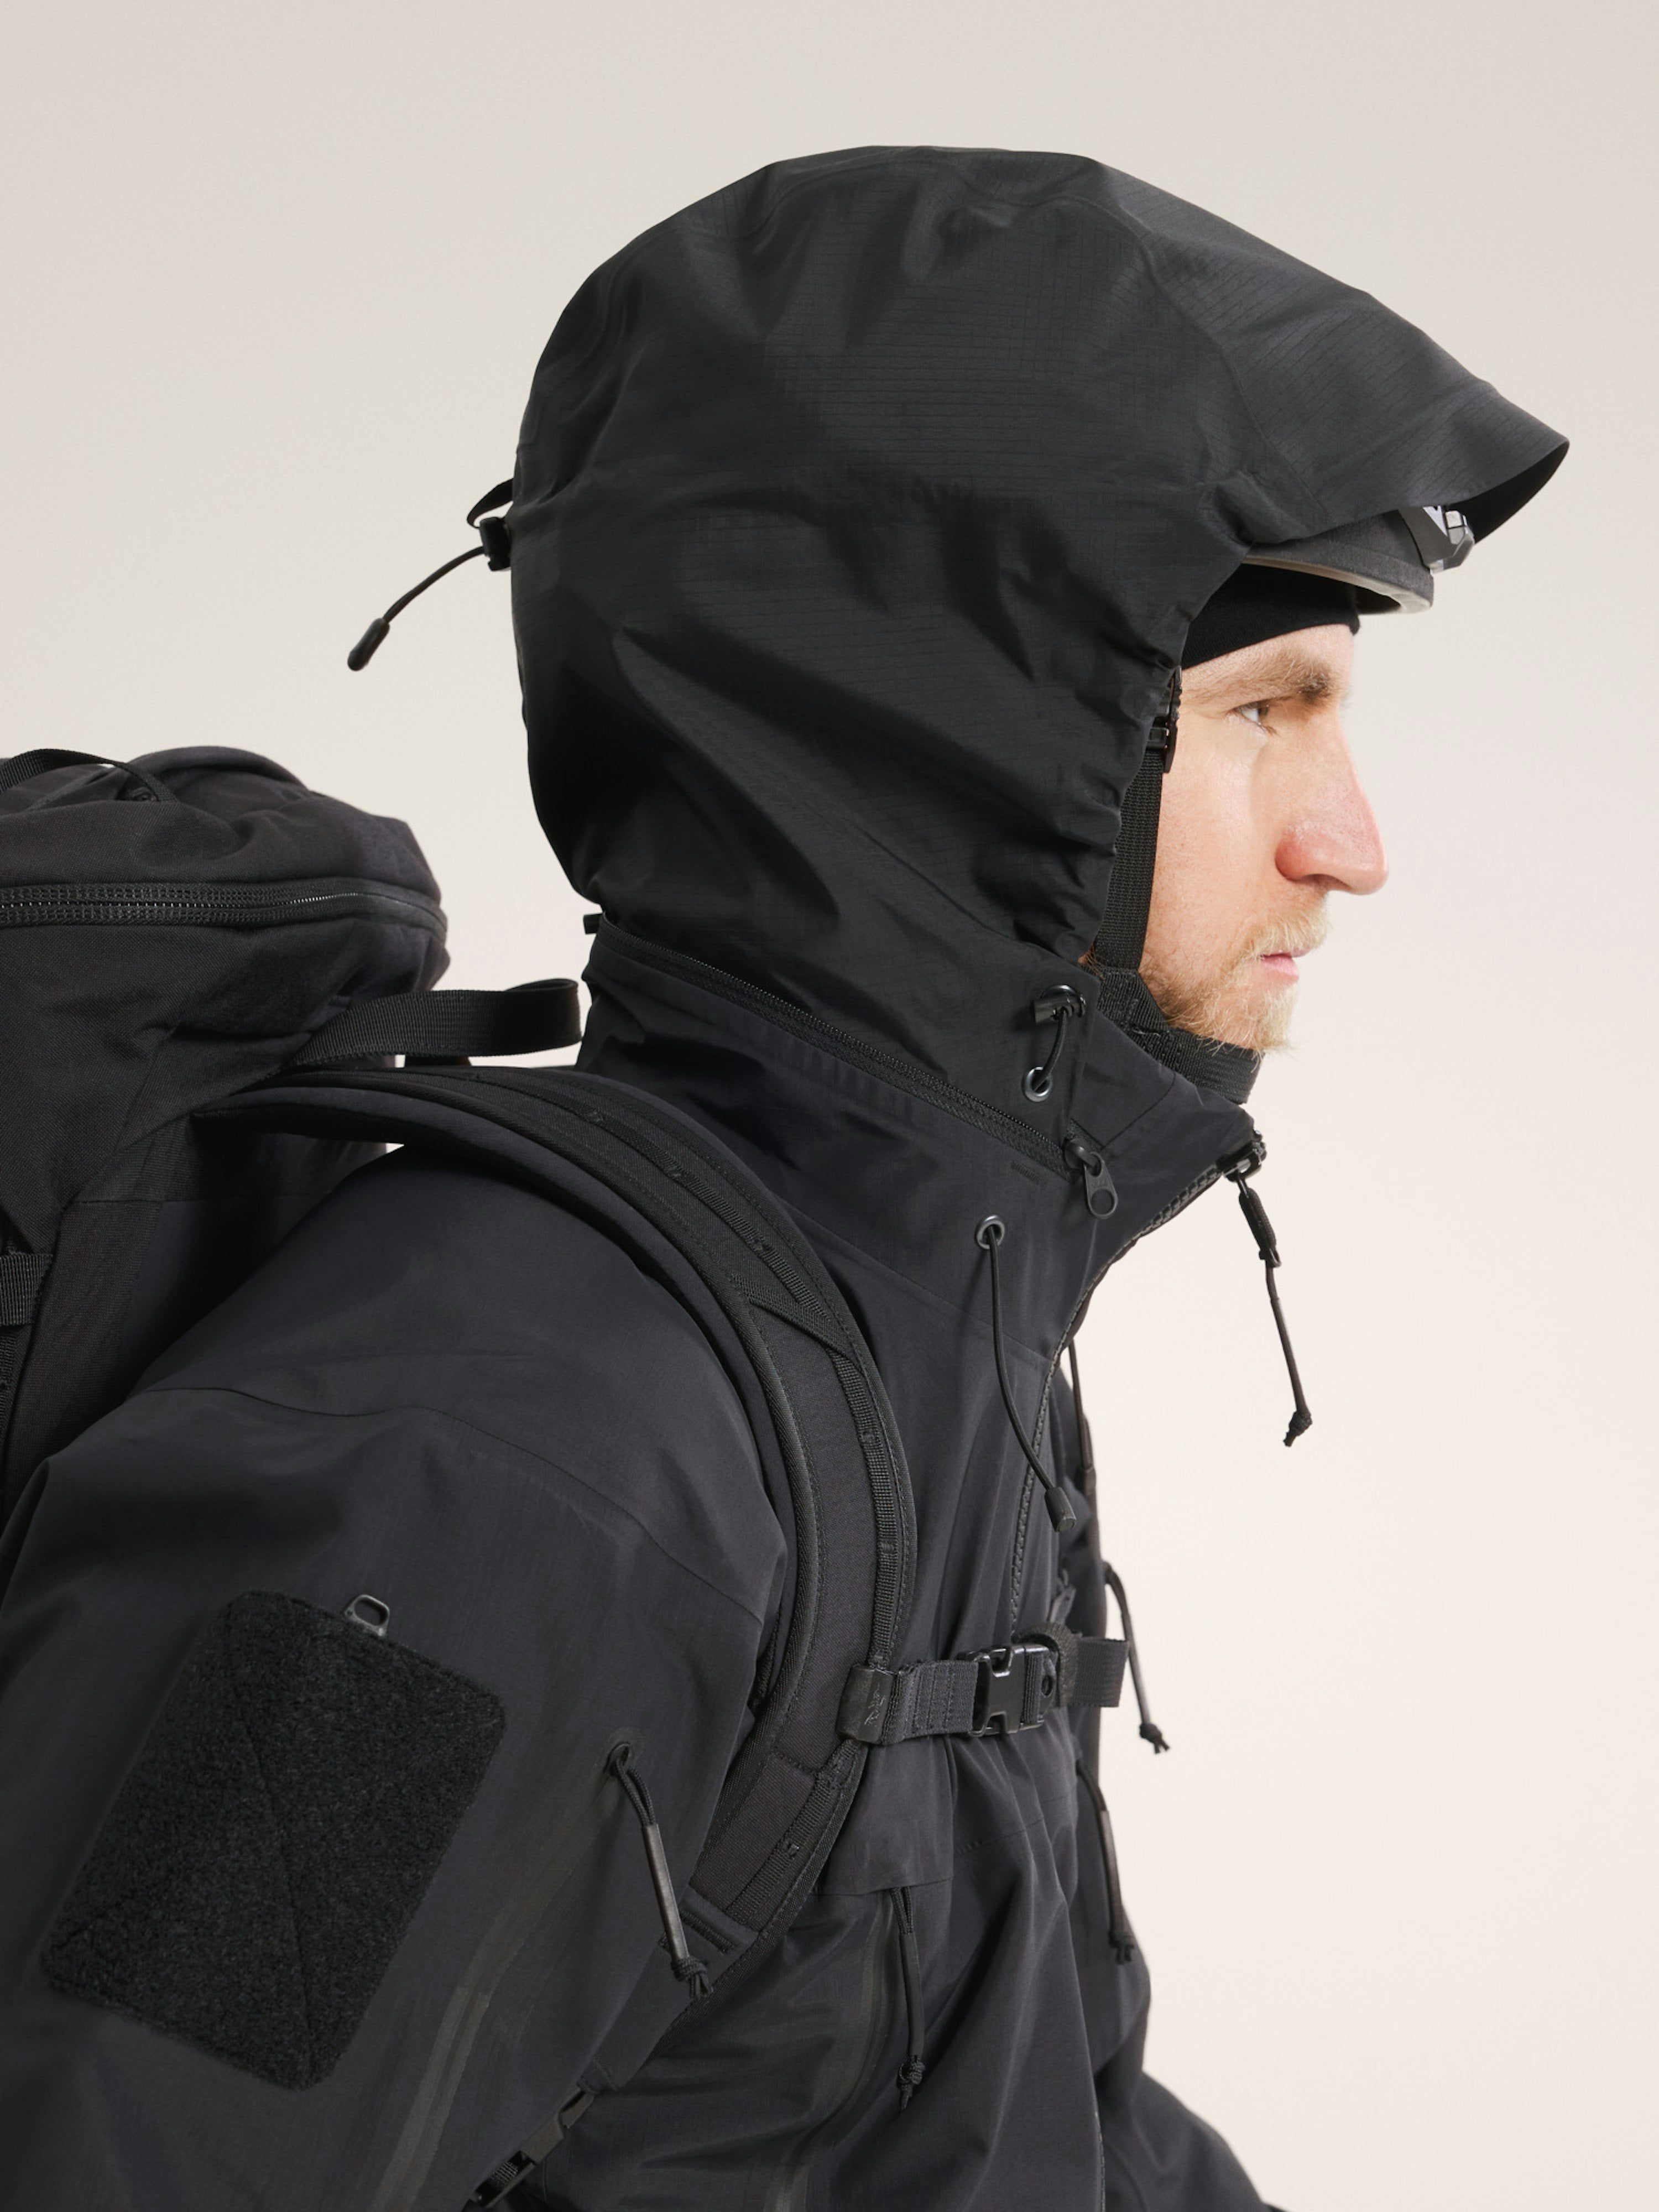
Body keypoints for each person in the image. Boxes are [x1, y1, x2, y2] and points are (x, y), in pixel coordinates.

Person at [0, 148, 1562, 2210]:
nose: (1350, 842)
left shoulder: (929, 1321)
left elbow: (1026, 2118)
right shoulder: (493, 1454)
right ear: (968, 748)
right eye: (1266, 710)